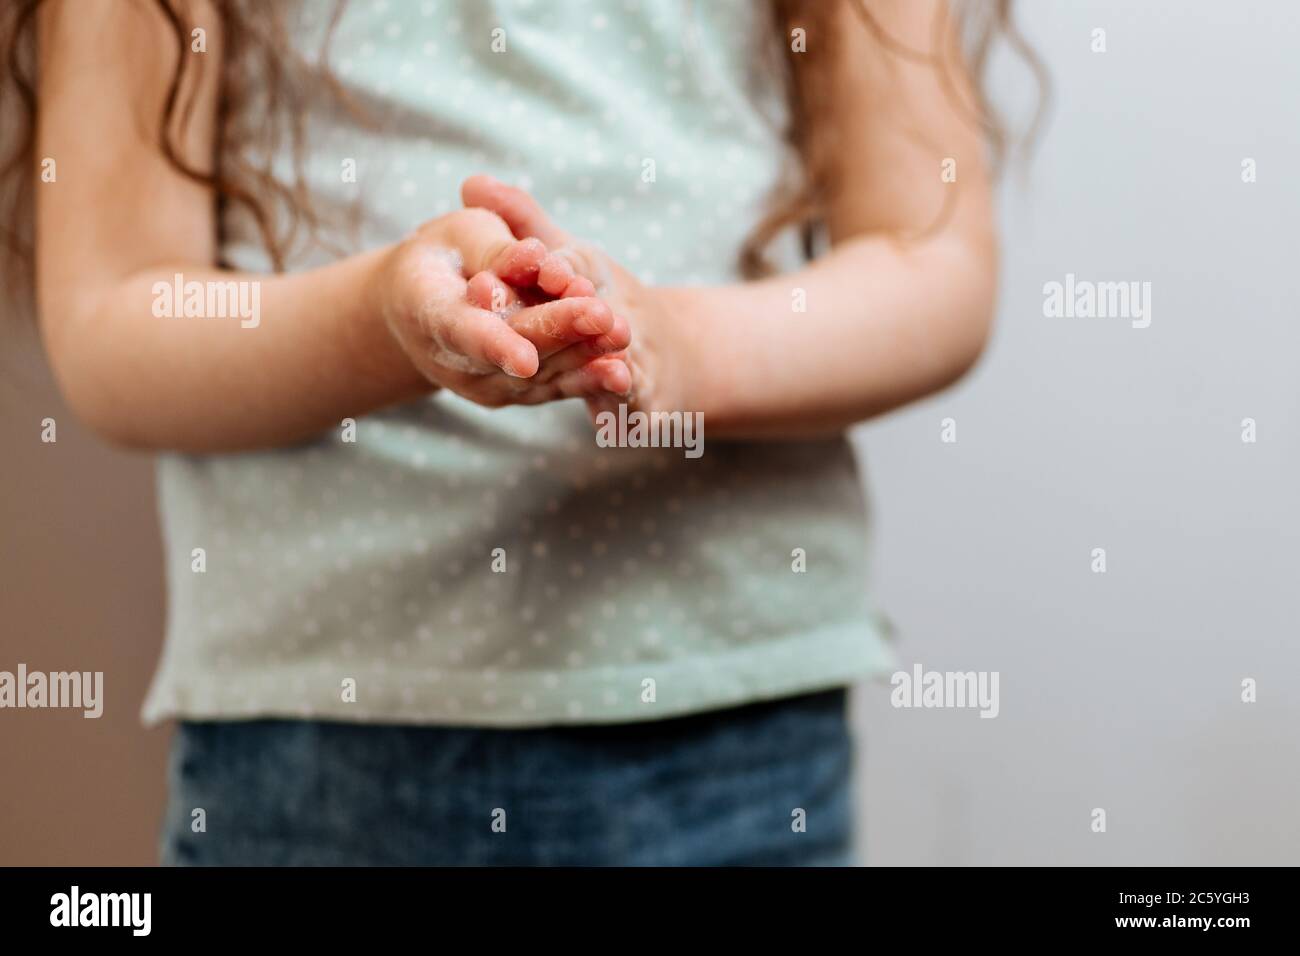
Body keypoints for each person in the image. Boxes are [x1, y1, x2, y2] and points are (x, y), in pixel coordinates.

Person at [3, 0, 1009, 865]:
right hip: (318, 751)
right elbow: (112, 322)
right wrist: (382, 324)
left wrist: (676, 346)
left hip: (736, 735)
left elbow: (935, 265)